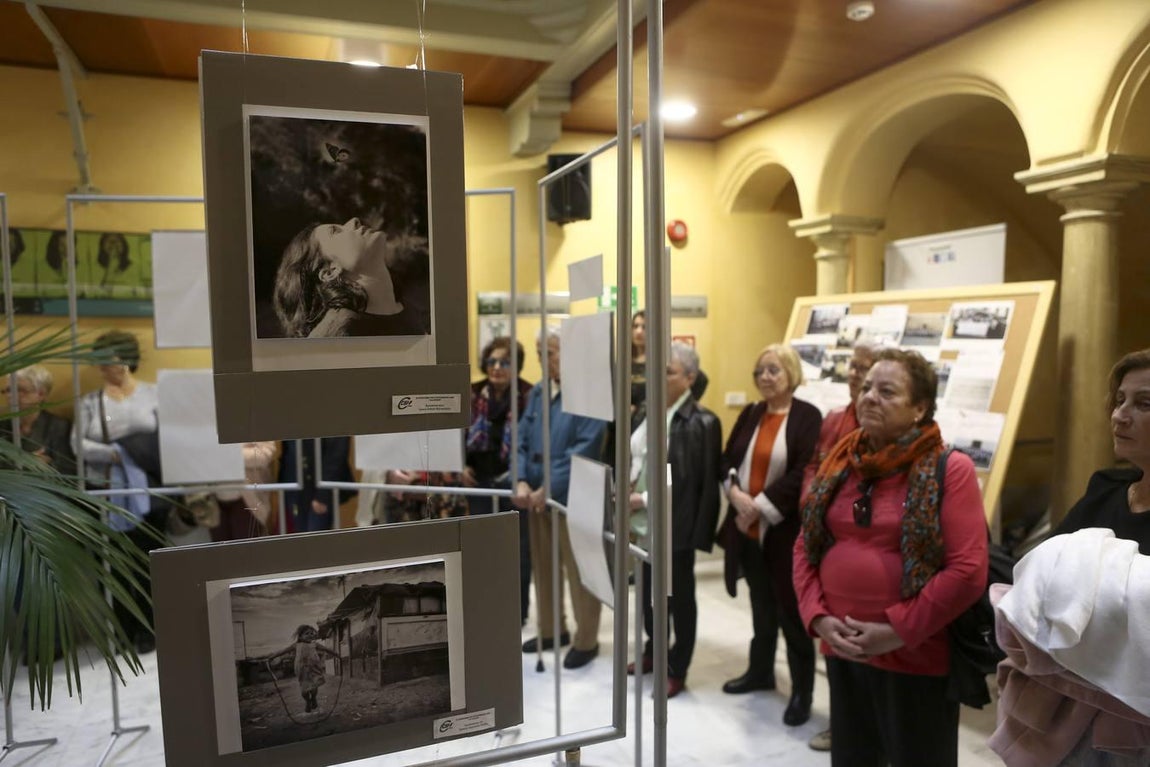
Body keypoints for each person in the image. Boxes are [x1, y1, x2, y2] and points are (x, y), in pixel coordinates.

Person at [793, 348, 988, 767]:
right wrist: (818, 617)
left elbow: (968, 570)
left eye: (887, 391)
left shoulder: (950, 469)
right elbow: (806, 545)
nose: (869, 398)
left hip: (915, 658)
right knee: (853, 758)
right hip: (841, 647)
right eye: (866, 388)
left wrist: (897, 630)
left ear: (920, 407)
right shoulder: (841, 462)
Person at [717, 343, 821, 726]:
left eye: (774, 370)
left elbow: (804, 472)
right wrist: (735, 493)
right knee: (761, 608)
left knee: (791, 615)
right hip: (747, 531)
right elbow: (728, 459)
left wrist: (757, 506)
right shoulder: (751, 412)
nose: (765, 377)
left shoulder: (808, 417)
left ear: (791, 374)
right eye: (760, 371)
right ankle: (760, 672)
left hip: (783, 533)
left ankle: (801, 693)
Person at [626, 342, 722, 697]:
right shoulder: (648, 413)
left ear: (690, 378)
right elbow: (639, 459)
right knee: (650, 595)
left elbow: (687, 483)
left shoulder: (701, 422)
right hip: (642, 523)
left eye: (668, 372)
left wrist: (643, 498)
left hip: (674, 525)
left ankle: (677, 667)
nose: (659, 377)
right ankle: (654, 651)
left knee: (678, 598)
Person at [513, 327, 607, 669]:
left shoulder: (590, 394)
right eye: (540, 353)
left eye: (549, 353)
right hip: (536, 495)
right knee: (544, 565)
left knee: (581, 570)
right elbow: (520, 439)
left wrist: (547, 488)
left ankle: (587, 639)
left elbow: (584, 450)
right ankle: (553, 630)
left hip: (573, 496)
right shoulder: (538, 393)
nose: (542, 360)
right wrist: (521, 480)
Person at [801, 342, 876, 752]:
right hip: (826, 541)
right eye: (852, 367)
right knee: (833, 642)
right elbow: (815, 465)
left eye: (863, 368)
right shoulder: (833, 419)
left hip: (860, 549)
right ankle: (841, 723)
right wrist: (811, 500)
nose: (853, 374)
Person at [71, 330, 165, 653]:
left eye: (106, 358)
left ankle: (152, 629)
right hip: (108, 492)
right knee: (116, 563)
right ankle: (124, 630)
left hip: (151, 491)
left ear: (124, 358)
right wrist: (116, 454)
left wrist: (137, 455)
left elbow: (169, 437)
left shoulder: (154, 394)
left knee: (151, 562)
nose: (101, 366)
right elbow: (78, 444)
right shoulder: (89, 403)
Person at [1052, 348, 1150, 551]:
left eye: (1144, 404)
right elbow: (1044, 564)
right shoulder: (1105, 488)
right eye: (1120, 401)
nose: (1118, 416)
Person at [465, 335, 534, 622]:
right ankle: (487, 604)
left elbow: (531, 441)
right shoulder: (471, 392)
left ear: (515, 366)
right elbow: (454, 432)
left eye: (504, 362)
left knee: (517, 551)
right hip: (477, 482)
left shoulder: (529, 395)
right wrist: (460, 465)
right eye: (492, 361)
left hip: (513, 481)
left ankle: (517, 612)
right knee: (483, 547)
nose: (497, 367)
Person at [272, 217, 428, 338]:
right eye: (335, 231)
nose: (354, 220)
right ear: (329, 272)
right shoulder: (333, 337)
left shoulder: (411, 313)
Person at [2, 364, 76, 474]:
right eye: (8, 390)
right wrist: (29, 462)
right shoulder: (2, 427)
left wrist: (48, 465)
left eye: (20, 390)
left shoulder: (58, 426)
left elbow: (68, 469)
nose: (11, 395)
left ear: (41, 394)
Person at [278, 437, 356, 532]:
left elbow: (336, 455)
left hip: (318, 489)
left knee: (315, 538)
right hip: (293, 486)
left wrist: (323, 494)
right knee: (300, 536)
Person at [261, 624, 341, 714]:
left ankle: (314, 698)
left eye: (312, 633)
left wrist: (337, 655)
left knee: (314, 687)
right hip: (302, 671)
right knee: (304, 691)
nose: (310, 635)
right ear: (300, 636)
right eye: (307, 633)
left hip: (314, 669)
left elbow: (327, 649)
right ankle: (308, 701)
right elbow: (282, 651)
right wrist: (271, 657)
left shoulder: (315, 644)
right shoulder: (296, 645)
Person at [209, 441, 278, 541]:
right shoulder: (209, 426)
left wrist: (229, 455)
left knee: (245, 552)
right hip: (214, 500)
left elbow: (265, 454)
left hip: (247, 500)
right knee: (221, 553)